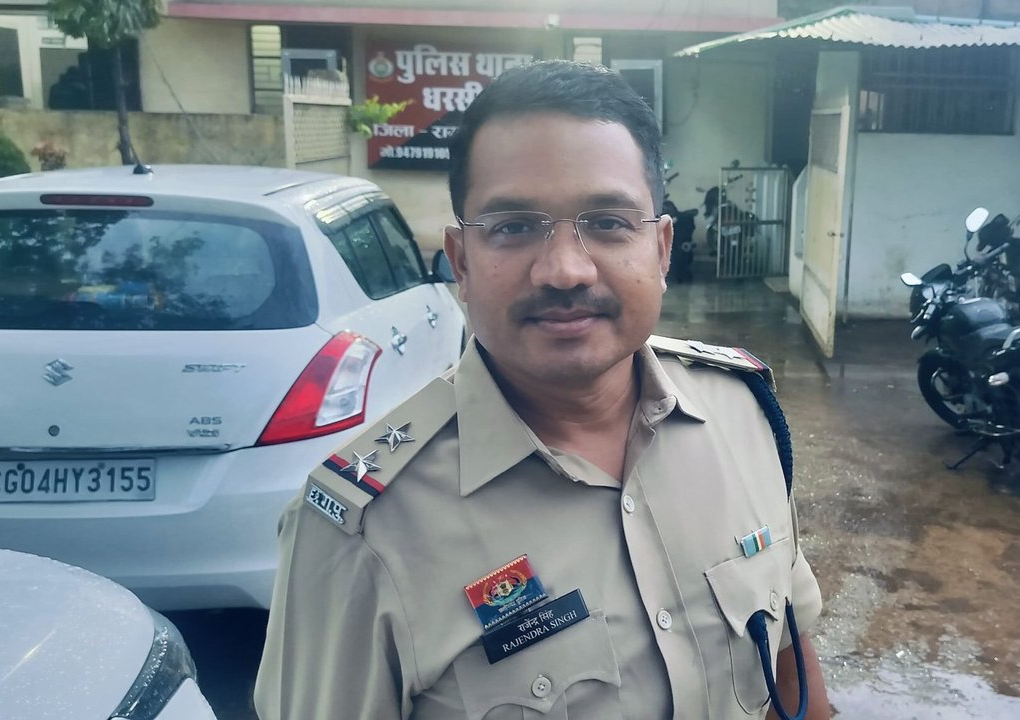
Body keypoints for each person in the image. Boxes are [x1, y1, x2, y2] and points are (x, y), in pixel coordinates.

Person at [255, 60, 829, 719]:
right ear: (462, 262)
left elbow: (790, 663)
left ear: (662, 249)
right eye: (514, 227)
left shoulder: (743, 414)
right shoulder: (361, 533)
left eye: (608, 222)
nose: (564, 270)